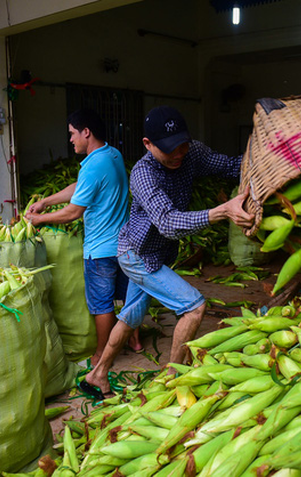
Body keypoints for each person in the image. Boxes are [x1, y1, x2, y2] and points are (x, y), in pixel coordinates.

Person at [82, 105, 254, 397]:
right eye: (169, 149)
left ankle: (97, 375)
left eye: (182, 145)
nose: (178, 154)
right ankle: (173, 383)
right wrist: (221, 212)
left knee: (130, 317)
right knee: (194, 307)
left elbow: (229, 165)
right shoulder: (143, 173)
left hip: (158, 255)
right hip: (136, 255)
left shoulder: (192, 153)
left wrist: (264, 161)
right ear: (148, 145)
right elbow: (167, 222)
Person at [25, 108, 141, 366]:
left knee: (102, 305)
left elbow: (73, 213)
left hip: (100, 250)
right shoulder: (111, 155)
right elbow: (80, 188)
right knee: (126, 297)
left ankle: (101, 355)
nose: (71, 140)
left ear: (86, 132)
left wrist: (39, 220)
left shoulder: (93, 165)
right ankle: (134, 341)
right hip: (123, 244)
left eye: (72, 134)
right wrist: (46, 201)